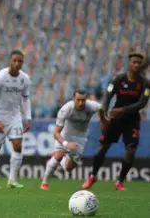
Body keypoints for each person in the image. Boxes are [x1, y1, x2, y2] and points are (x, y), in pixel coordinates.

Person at [82, 52, 150, 191]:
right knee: (102, 148)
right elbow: (107, 97)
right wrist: (105, 116)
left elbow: (142, 103)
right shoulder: (118, 79)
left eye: (139, 63)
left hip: (132, 120)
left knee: (131, 150)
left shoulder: (145, 82)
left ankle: (120, 181)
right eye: (134, 62)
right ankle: (92, 176)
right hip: (115, 119)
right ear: (129, 64)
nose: (136, 65)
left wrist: (122, 110)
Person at [40, 90, 104, 190]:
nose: (80, 103)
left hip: (81, 138)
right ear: (73, 99)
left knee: (68, 168)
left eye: (83, 100)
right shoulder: (66, 109)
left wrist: (103, 120)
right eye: (78, 100)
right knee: (58, 157)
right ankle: (44, 182)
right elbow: (56, 133)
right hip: (65, 134)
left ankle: (59, 157)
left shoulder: (91, 106)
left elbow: (101, 107)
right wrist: (66, 144)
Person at [0, 50, 31, 189]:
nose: (17, 63)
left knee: (18, 146)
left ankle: (12, 180)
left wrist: (28, 117)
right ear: (9, 61)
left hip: (15, 116)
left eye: (20, 61)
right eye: (15, 61)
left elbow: (25, 98)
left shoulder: (24, 78)